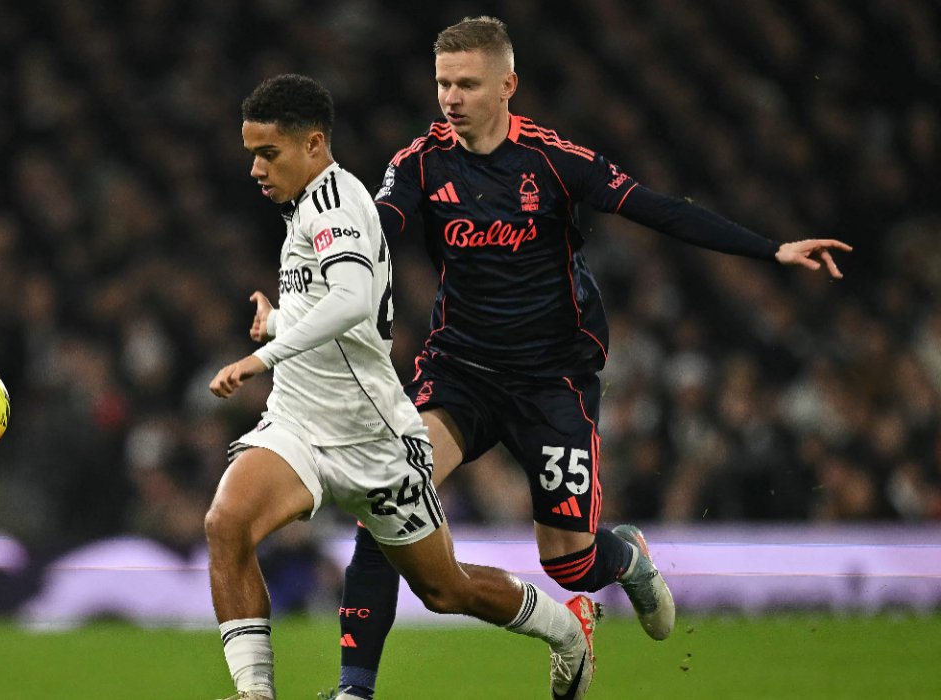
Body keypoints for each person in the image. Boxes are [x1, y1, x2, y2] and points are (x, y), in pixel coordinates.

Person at [323, 16, 853, 700]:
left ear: (507, 85)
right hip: (461, 374)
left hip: (553, 384)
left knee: (569, 566)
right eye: (442, 84)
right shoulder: (418, 163)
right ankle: (354, 690)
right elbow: (379, 230)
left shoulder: (553, 160)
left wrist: (771, 249)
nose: (450, 98)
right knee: (386, 499)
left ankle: (624, 554)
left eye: (467, 84)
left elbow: (658, 209)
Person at [206, 73, 604, 700]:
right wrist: (279, 318)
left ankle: (566, 633)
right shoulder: (305, 206)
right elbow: (341, 312)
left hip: (374, 440)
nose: (256, 168)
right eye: (251, 152)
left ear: (314, 144)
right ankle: (255, 693)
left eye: (269, 152)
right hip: (301, 424)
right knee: (227, 523)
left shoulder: (338, 204)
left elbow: (351, 300)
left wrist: (264, 356)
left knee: (446, 589)